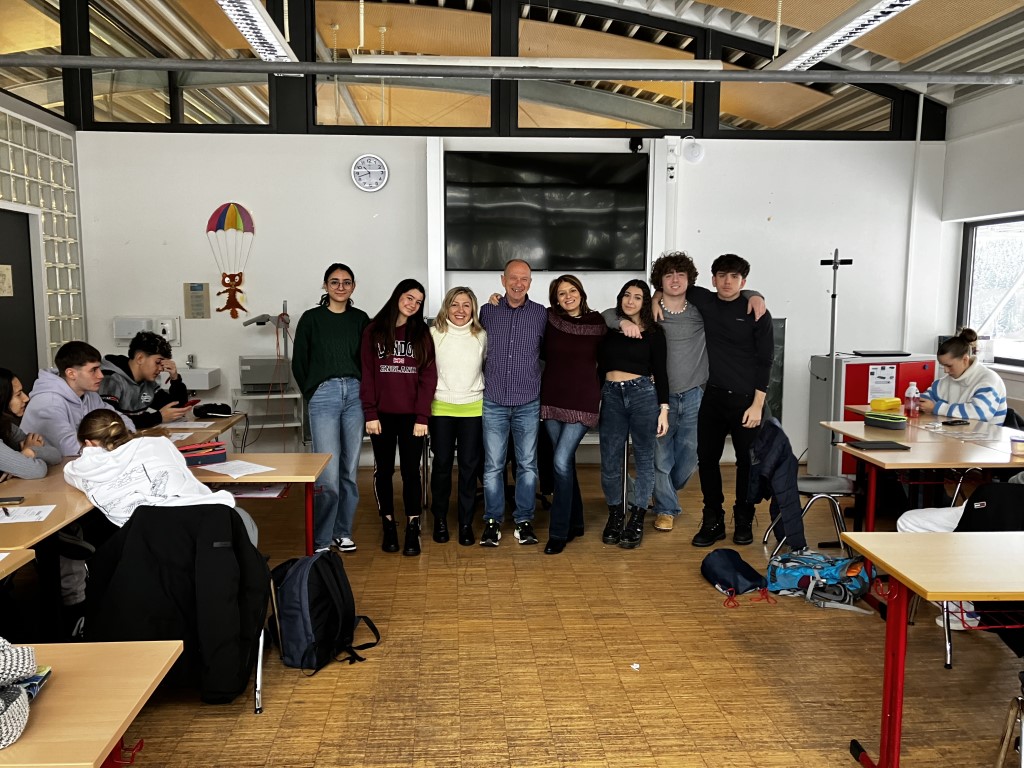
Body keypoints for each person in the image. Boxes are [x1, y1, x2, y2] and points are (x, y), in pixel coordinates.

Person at [614, 252, 766, 535]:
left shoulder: (701, 308)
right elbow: (609, 315)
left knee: (689, 459)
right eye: (668, 275)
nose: (674, 280)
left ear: (689, 280)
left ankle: (653, 491)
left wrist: (755, 295)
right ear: (659, 281)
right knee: (661, 458)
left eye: (680, 275)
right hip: (658, 397)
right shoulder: (649, 313)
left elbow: (731, 292)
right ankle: (666, 509)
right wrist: (630, 317)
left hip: (695, 396)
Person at [64, 410, 258, 544]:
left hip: (151, 539)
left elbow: (70, 471)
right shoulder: (157, 443)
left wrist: (89, 451)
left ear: (89, 444)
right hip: (201, 521)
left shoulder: (85, 468)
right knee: (242, 518)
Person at [688, 254, 774, 549]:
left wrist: (758, 405)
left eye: (734, 277)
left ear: (743, 281)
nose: (727, 282)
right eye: (722, 275)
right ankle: (713, 520)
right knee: (707, 460)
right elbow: (671, 286)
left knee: (746, 463)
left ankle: (744, 518)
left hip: (747, 401)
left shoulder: (757, 312)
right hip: (712, 397)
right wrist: (655, 298)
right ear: (713, 279)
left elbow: (766, 360)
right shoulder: (704, 300)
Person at [292, 263, 369, 554]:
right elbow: (300, 362)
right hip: (324, 395)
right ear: (325, 286)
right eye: (334, 282)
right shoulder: (311, 319)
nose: (340, 287)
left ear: (353, 287)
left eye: (346, 282)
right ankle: (322, 538)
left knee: (349, 469)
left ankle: (343, 532)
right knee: (327, 472)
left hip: (355, 395)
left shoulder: (360, 319)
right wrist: (312, 392)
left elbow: (368, 360)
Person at [361, 278, 437, 556]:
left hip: (411, 418)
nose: (413, 304)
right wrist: (370, 412)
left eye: (418, 302)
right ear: (397, 296)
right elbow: (367, 374)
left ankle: (412, 526)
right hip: (380, 416)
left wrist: (422, 417)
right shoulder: (373, 331)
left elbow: (428, 377)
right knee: (383, 470)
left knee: (410, 472)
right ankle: (389, 524)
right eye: (409, 298)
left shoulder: (422, 334)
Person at [477, 259, 548, 547]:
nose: (519, 284)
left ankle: (524, 521)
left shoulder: (541, 314)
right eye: (513, 278)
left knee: (527, 465)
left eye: (524, 279)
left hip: (527, 400)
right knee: (493, 465)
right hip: (493, 399)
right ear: (503, 280)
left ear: (530, 282)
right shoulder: (487, 311)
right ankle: (492, 522)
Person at [598, 280, 669, 550]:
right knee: (610, 460)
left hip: (643, 395)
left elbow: (661, 371)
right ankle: (616, 514)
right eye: (627, 295)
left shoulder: (655, 333)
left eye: (638, 297)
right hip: (611, 395)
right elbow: (599, 366)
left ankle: (637, 517)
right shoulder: (609, 327)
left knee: (644, 459)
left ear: (645, 302)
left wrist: (664, 409)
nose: (631, 301)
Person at [540, 275, 606, 555]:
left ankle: (558, 531)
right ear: (555, 299)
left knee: (559, 461)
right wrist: (496, 300)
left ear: (581, 292)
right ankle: (576, 522)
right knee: (564, 464)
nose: (568, 296)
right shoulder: (547, 319)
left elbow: (611, 352)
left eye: (572, 290)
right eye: (561, 293)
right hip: (552, 399)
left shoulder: (598, 323)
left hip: (583, 400)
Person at [429, 287, 487, 547]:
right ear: (446, 307)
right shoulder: (434, 334)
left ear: (473, 308)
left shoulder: (482, 335)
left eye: (466, 305)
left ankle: (465, 523)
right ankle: (440, 519)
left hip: (472, 408)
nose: (460, 310)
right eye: (454, 304)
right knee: (442, 465)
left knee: (469, 467)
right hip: (441, 407)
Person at [21, 341, 134, 457]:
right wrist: (118, 442)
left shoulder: (90, 395)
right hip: (45, 465)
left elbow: (119, 420)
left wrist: (126, 436)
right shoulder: (49, 402)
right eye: (93, 370)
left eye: (99, 368)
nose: (101, 375)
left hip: (72, 462)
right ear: (71, 374)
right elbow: (69, 448)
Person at [99, 331, 191, 429]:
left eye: (163, 364)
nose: (161, 369)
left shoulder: (147, 382)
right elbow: (111, 422)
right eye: (158, 362)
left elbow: (176, 408)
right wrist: (158, 417)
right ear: (140, 358)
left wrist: (175, 378)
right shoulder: (110, 379)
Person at [920, 328, 1007, 423]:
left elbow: (979, 413)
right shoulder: (946, 380)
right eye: (943, 365)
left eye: (949, 366)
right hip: (955, 430)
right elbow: (926, 399)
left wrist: (936, 408)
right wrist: (917, 400)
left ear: (965, 359)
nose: (945, 370)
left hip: (985, 431)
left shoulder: (989, 380)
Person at [0, 367, 61, 480]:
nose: (26, 398)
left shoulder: (7, 427)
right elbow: (37, 471)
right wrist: (26, 456)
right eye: (18, 394)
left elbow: (55, 455)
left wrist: (30, 451)